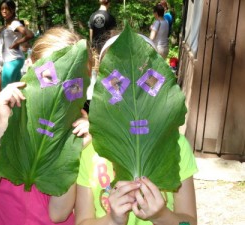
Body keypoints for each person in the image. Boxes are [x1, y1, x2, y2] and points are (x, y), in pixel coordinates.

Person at [0, 27, 91, 225]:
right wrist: (6, 126)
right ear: (31, 65)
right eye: (50, 76)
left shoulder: (78, 127)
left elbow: (58, 214)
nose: (57, 89)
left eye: (70, 81)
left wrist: (71, 152)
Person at [75, 32, 197, 225]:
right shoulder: (89, 150)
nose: (131, 90)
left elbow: (189, 221)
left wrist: (161, 215)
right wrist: (112, 220)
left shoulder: (176, 145)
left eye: (143, 75)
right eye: (117, 80)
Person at [0, 0, 34, 89]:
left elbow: (30, 34)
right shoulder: (8, 24)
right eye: (2, 8)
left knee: (6, 90)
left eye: (6, 8)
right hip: (15, 59)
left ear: (13, 10)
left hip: (12, 60)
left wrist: (16, 43)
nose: (4, 10)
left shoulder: (15, 23)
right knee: (17, 89)